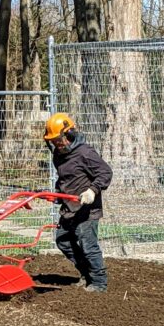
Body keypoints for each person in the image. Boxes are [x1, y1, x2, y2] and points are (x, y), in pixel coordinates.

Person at [44, 112, 113, 293]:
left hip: (87, 209)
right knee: (63, 240)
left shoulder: (85, 153)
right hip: (70, 207)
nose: (57, 145)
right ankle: (86, 274)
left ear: (70, 135)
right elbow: (65, 179)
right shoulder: (58, 155)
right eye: (53, 142)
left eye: (59, 140)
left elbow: (105, 172)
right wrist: (56, 195)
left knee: (88, 245)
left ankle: (99, 282)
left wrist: (92, 191)